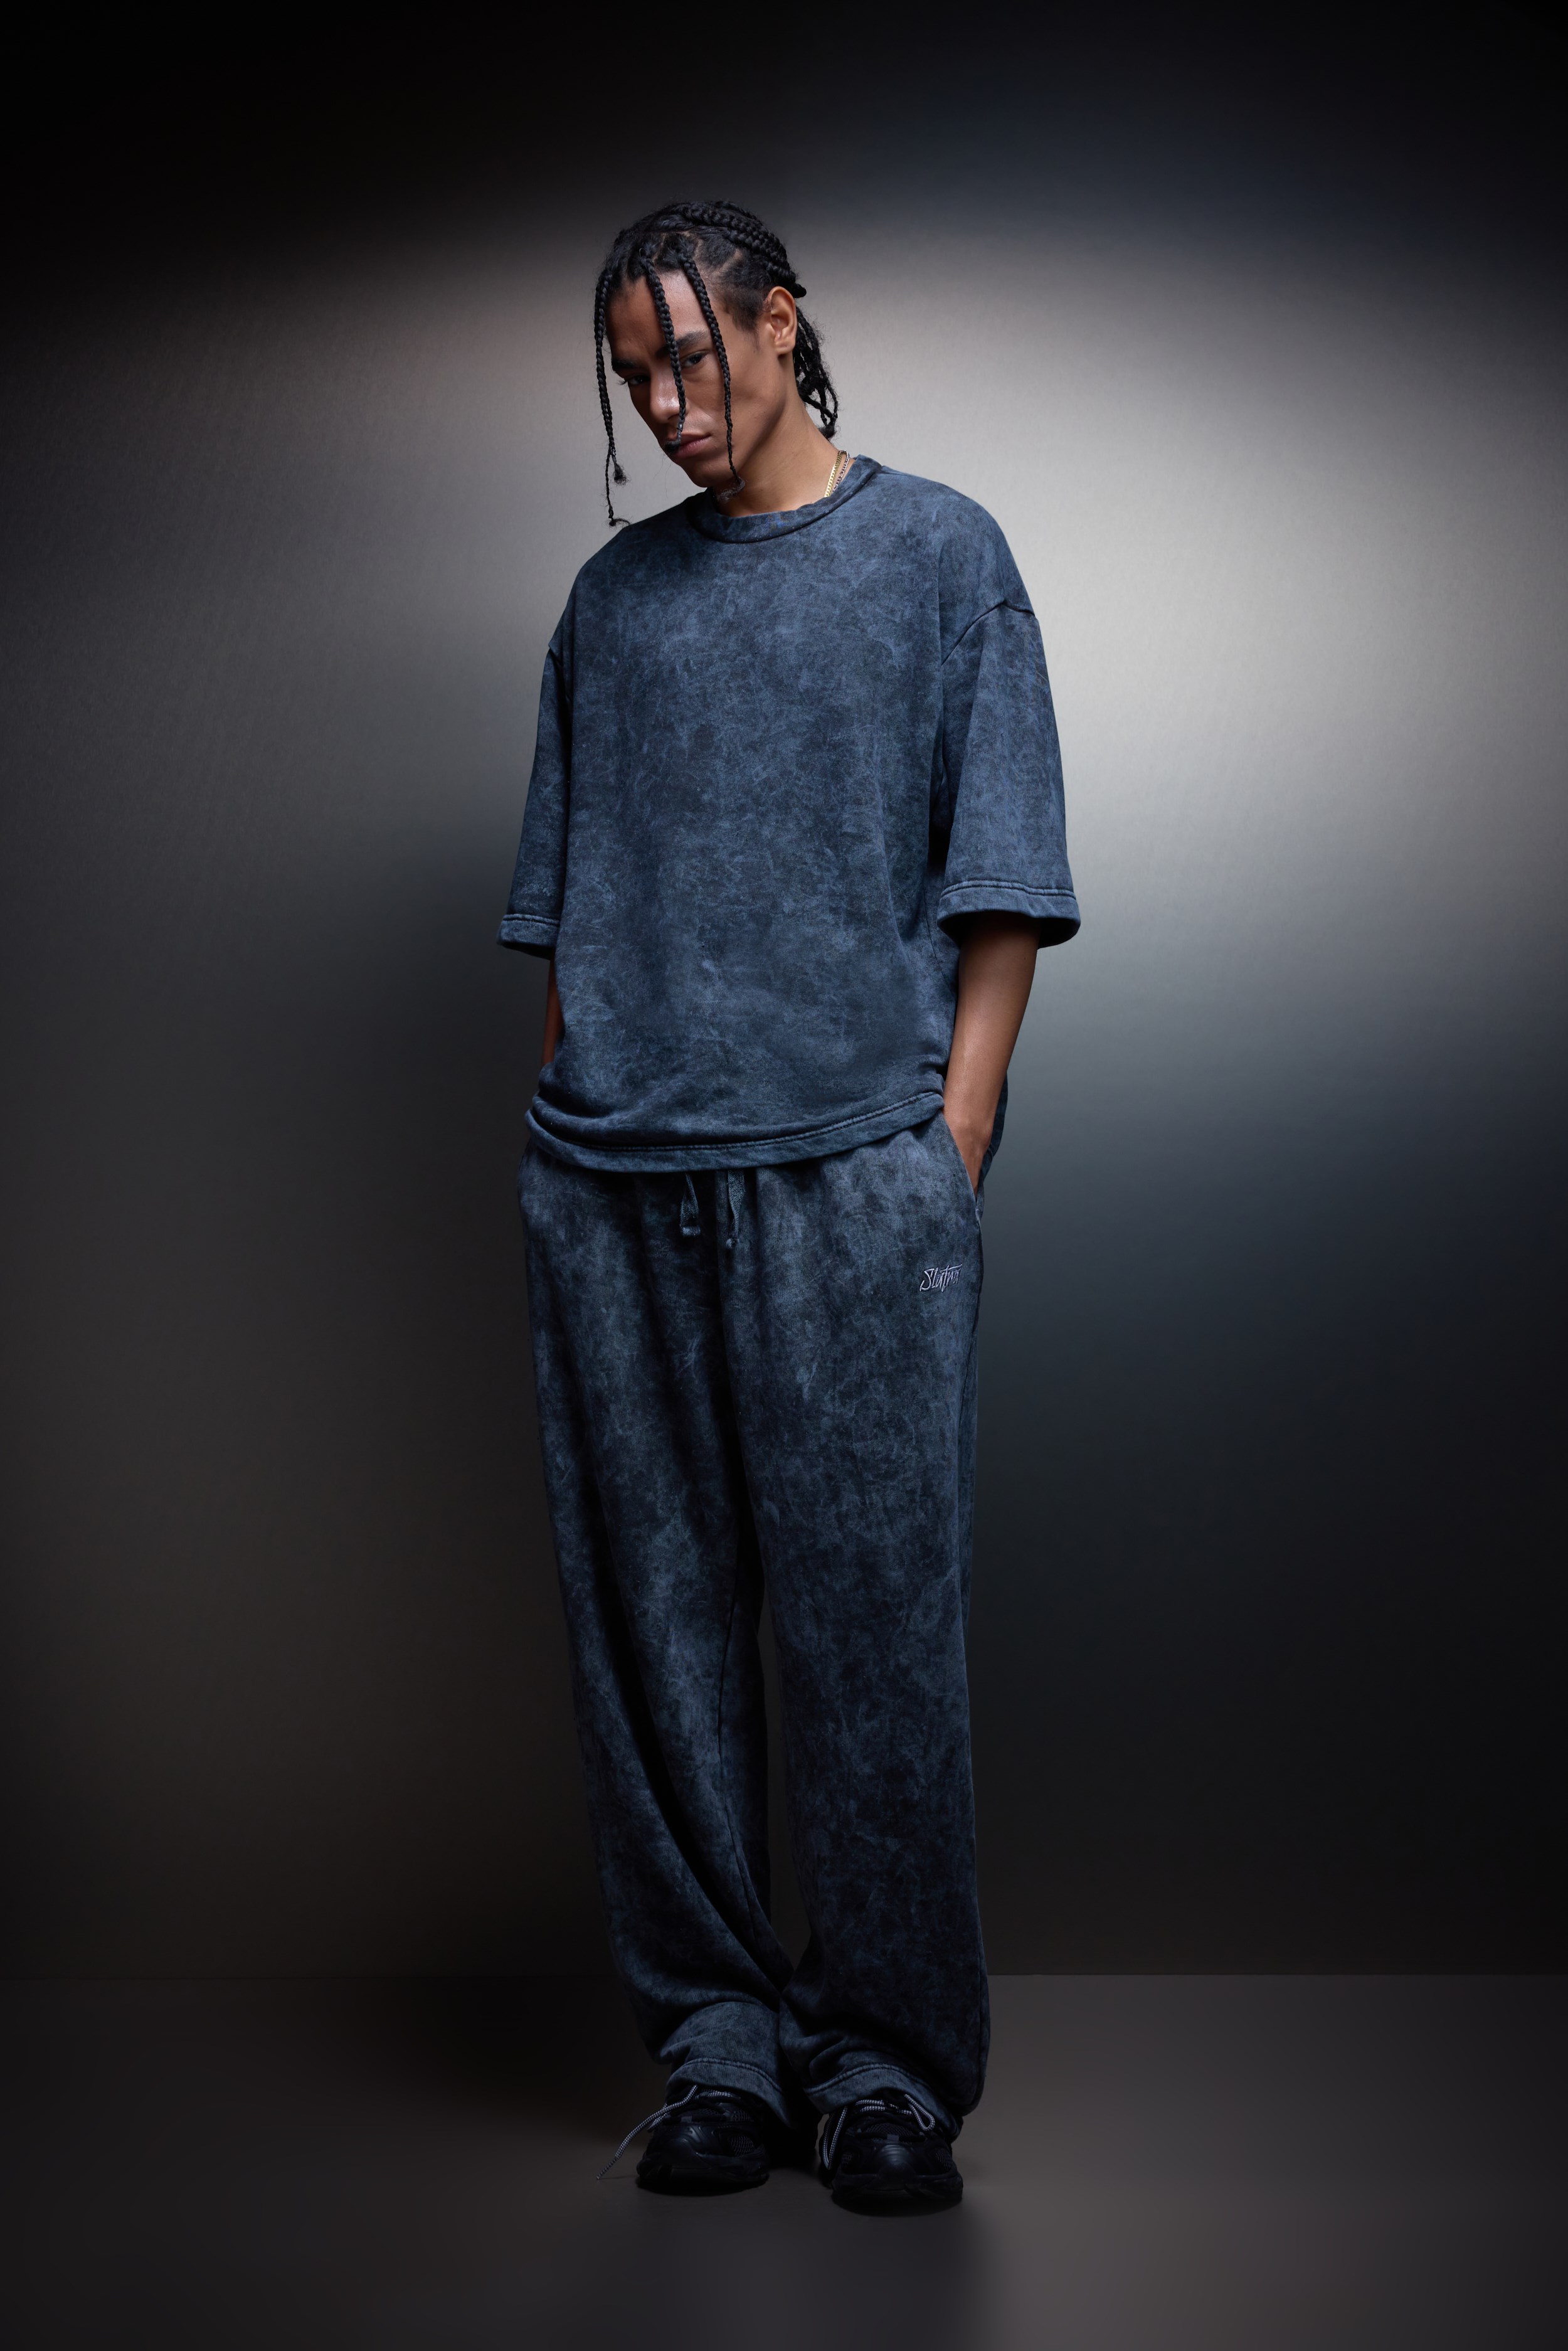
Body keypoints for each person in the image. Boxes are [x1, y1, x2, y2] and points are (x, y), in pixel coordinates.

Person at [499, 200, 1078, 2215]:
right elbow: (564, 905)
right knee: (652, 1649)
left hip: (856, 1181)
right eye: (631, 376)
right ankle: (718, 2051)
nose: (666, 405)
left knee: (873, 1642)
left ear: (780, 325)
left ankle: (888, 2064)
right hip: (614, 1191)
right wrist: (568, 1121)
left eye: (689, 355)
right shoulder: (610, 601)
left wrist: (950, 1145)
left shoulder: (941, 559)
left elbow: (1000, 882)